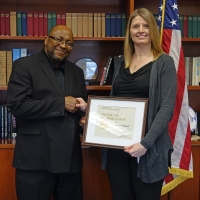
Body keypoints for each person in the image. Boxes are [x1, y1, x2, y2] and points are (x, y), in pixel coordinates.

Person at [102, 8, 177, 200]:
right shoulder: (120, 62)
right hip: (117, 147)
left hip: (148, 149)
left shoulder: (164, 63)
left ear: (153, 30)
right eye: (136, 26)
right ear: (129, 32)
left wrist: (145, 144)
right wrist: (91, 112)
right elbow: (114, 104)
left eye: (146, 26)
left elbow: (166, 108)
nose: (141, 30)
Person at [7, 25, 88, 200]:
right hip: (35, 159)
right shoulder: (24, 65)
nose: (64, 45)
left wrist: (83, 121)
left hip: (69, 160)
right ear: (46, 40)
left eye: (69, 43)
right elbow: (17, 105)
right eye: (58, 39)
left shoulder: (77, 72)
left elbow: (79, 110)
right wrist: (60, 103)